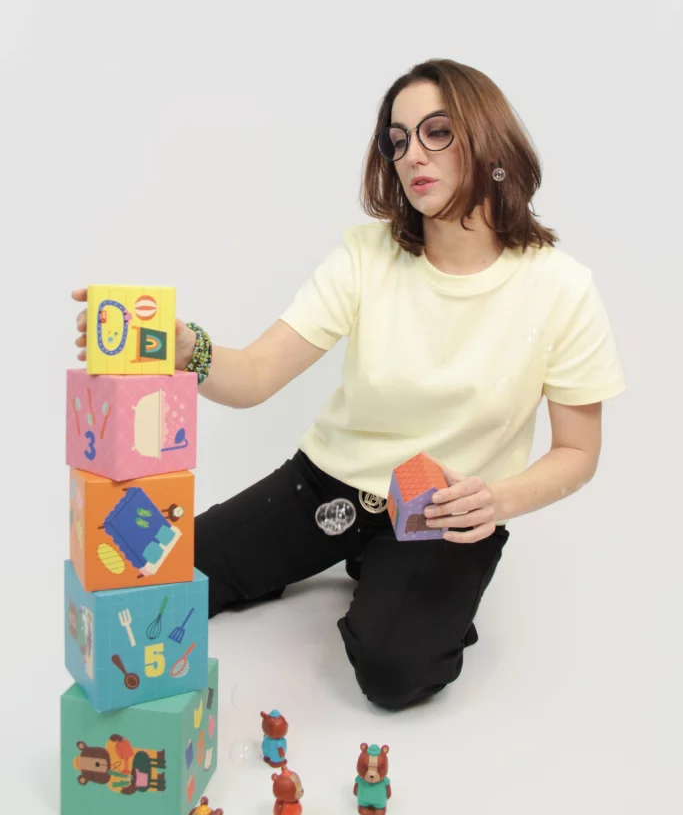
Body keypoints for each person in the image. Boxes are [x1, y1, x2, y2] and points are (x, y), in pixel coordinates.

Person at [72, 58, 626, 712]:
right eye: (397, 140)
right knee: (151, 566)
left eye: (436, 132)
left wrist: (494, 501)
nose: (412, 154)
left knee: (394, 674)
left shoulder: (562, 288)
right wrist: (186, 348)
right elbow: (254, 376)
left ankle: (393, 584)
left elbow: (577, 453)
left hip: (445, 514)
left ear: (487, 136)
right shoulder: (366, 256)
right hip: (325, 484)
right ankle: (326, 562)